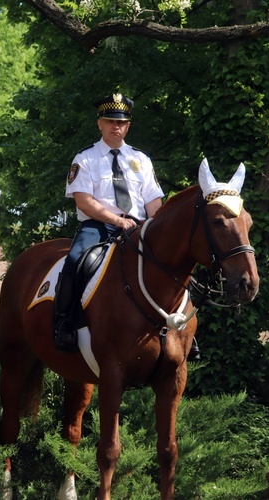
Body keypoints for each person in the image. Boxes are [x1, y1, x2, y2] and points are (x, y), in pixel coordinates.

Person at [53, 94, 169, 352]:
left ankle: (181, 329)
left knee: (172, 260)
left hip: (139, 228)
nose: (115, 126)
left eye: (121, 122)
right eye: (109, 121)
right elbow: (83, 201)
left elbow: (153, 204)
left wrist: (158, 229)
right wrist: (117, 220)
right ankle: (65, 322)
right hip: (98, 227)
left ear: (128, 126)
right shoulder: (85, 158)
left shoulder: (141, 159)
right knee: (75, 260)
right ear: (100, 124)